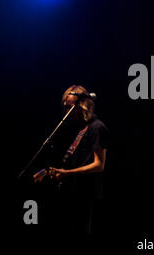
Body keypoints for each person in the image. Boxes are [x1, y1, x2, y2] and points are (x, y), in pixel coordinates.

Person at [33, 85, 108, 236]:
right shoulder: (77, 128)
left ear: (82, 105)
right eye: (65, 107)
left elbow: (99, 165)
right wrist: (47, 171)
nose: (67, 112)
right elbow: (69, 161)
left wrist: (67, 173)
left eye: (70, 107)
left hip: (85, 194)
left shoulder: (97, 127)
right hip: (71, 191)